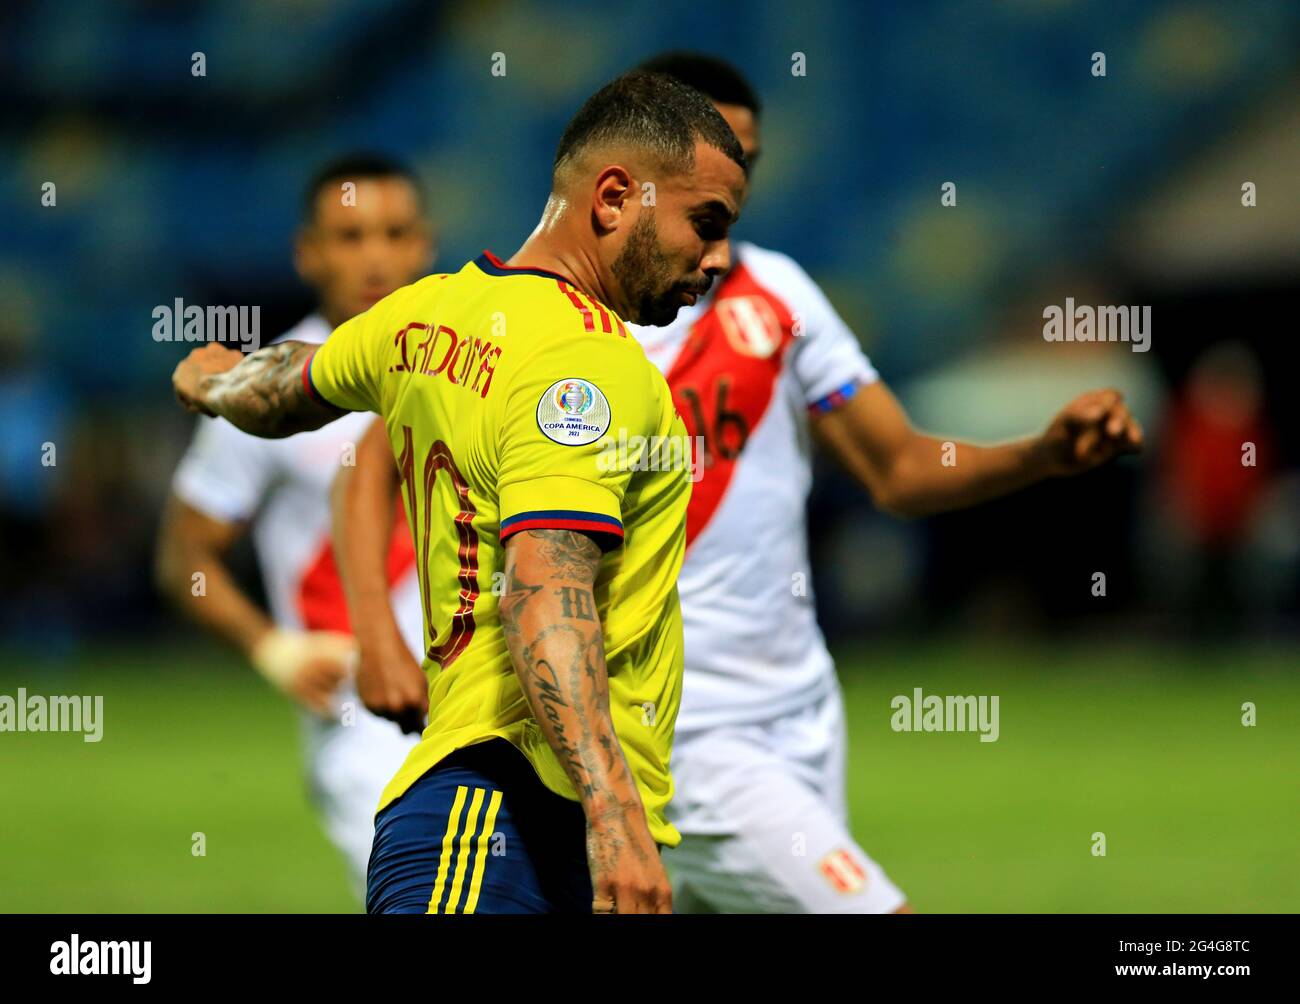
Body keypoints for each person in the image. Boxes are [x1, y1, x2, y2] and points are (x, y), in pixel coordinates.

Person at [333, 53, 1144, 914]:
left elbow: (898, 466)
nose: (727, 195)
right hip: (676, 726)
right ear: (636, 182)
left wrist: (1040, 457)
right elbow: (382, 459)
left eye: (743, 165)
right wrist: (377, 632)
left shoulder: (780, 296)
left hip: (799, 707)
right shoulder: (570, 325)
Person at [169, 70, 748, 914]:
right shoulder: (585, 367)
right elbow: (545, 596)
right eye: (707, 224)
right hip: (505, 812)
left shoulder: (428, 316)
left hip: (498, 814)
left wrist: (220, 384)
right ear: (617, 196)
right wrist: (616, 815)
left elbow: (296, 382)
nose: (719, 256)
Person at [155, 154, 433, 895]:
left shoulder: (464, 364)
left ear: (425, 245)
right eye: (348, 236)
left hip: (486, 704)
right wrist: (269, 646)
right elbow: (184, 554)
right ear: (308, 253)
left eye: (394, 232)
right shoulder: (267, 390)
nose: (374, 255)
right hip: (361, 722)